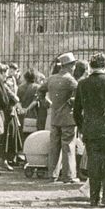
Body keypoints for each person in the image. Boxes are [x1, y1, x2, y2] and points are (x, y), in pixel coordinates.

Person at [73, 53, 105, 207]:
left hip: (90, 130)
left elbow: (77, 111)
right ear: (104, 65)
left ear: (91, 66)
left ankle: (93, 198)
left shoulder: (83, 83)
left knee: (94, 165)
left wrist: (83, 127)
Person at [40, 52, 78, 183]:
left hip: (55, 117)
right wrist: (73, 102)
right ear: (69, 65)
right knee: (68, 146)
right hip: (68, 117)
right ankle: (69, 176)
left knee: (54, 146)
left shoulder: (51, 78)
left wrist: (45, 102)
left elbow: (40, 91)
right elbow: (78, 95)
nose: (74, 68)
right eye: (73, 65)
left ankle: (53, 174)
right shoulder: (70, 80)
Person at [17, 69, 41, 142]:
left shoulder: (20, 87)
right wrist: (27, 109)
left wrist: (21, 109)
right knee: (31, 129)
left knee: (22, 129)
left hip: (21, 112)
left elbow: (18, 101)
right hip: (32, 112)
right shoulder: (37, 87)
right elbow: (35, 101)